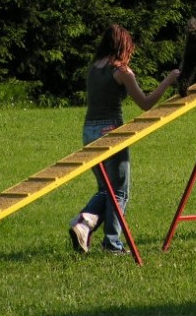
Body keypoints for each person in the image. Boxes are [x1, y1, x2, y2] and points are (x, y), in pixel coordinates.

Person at [69, 24, 180, 254]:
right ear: (123, 45)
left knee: (105, 190)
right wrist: (168, 81)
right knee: (119, 192)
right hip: (110, 131)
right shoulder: (121, 71)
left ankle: (83, 224)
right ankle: (112, 244)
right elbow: (146, 104)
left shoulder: (93, 68)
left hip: (88, 131)